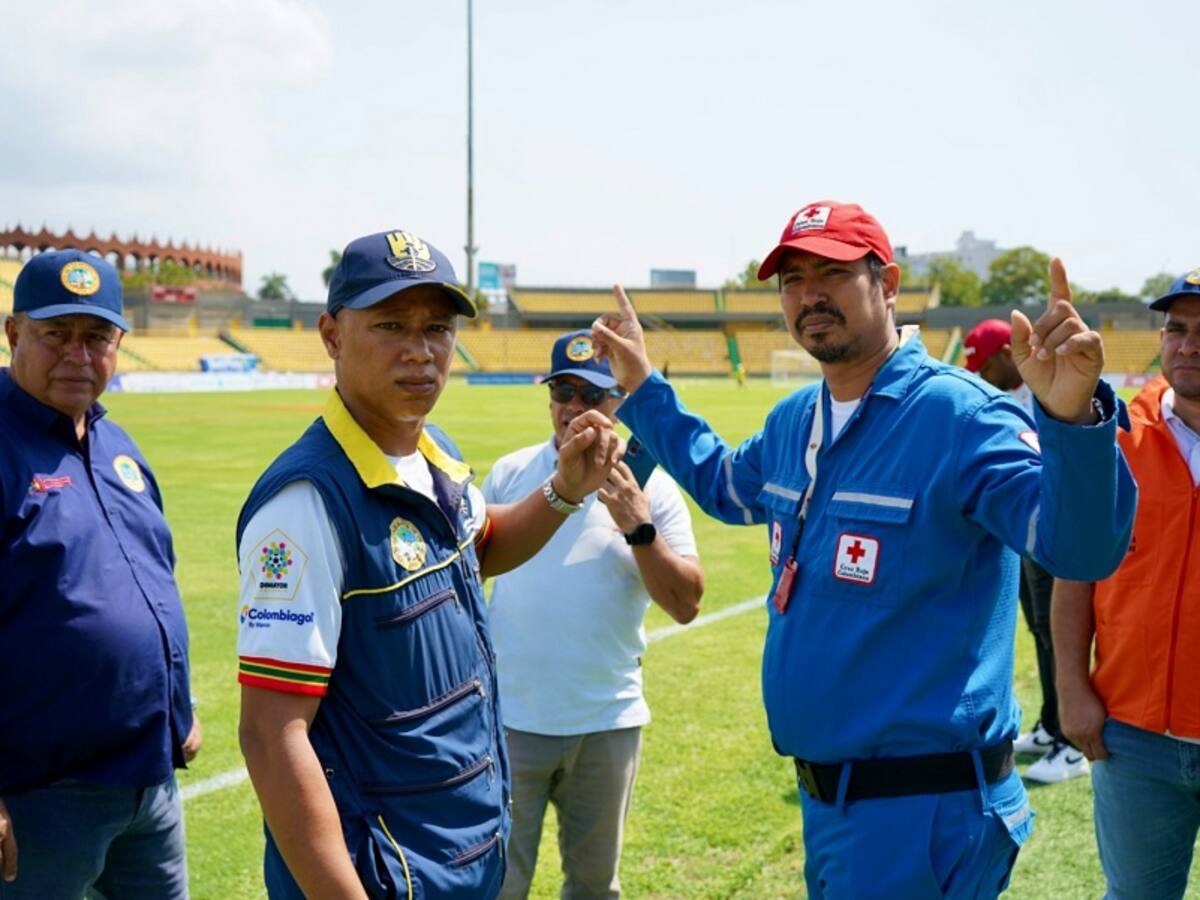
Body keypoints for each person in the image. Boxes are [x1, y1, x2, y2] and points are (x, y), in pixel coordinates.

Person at [591, 200, 1136, 898]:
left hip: (922, 813)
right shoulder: (797, 418)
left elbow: (1078, 550)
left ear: (887, 284)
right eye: (792, 278)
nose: (809, 293)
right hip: (838, 808)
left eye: (832, 272)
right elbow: (728, 486)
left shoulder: (959, 415)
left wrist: (1074, 421)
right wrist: (643, 386)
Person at [236, 230, 620, 899]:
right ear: (331, 334)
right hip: (385, 871)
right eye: (390, 325)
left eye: (437, 328)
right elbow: (272, 737)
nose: (420, 351)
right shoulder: (305, 505)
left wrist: (564, 490)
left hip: (459, 854)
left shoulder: (432, 453)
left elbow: (481, 548)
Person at [0, 250, 200, 899]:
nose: (78, 355)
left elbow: (153, 579)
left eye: (97, 338)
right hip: (43, 799)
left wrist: (180, 706)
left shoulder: (119, 447)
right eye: (57, 334)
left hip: (149, 785)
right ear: (13, 334)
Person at [483, 330, 704, 899]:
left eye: (593, 394)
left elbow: (686, 603)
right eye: (563, 391)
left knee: (593, 887)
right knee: (495, 886)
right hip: (512, 725)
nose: (574, 408)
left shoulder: (652, 488)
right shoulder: (509, 474)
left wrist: (638, 525)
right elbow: (470, 579)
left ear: (619, 403)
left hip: (606, 724)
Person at [1053, 269, 1200, 900]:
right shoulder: (1115, 437)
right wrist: (1070, 688)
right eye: (1177, 328)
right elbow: (1075, 572)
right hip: (1135, 737)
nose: (1189, 345)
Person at [964, 319, 1087, 783]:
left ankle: (1071, 746)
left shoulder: (1047, 391)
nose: (978, 375)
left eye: (983, 365)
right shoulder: (1004, 399)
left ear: (1004, 357)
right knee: (1040, 629)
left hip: (1055, 531)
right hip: (1023, 535)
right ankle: (1051, 725)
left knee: (1061, 633)